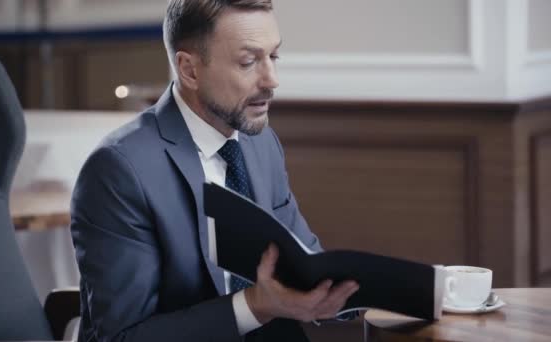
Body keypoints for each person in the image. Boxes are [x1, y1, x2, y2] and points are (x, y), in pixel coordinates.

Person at [70, 1, 359, 341]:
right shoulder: (118, 170)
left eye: (274, 57)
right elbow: (122, 338)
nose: (272, 80)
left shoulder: (260, 143)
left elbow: (309, 267)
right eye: (249, 62)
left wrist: (408, 291)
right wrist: (254, 306)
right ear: (189, 70)